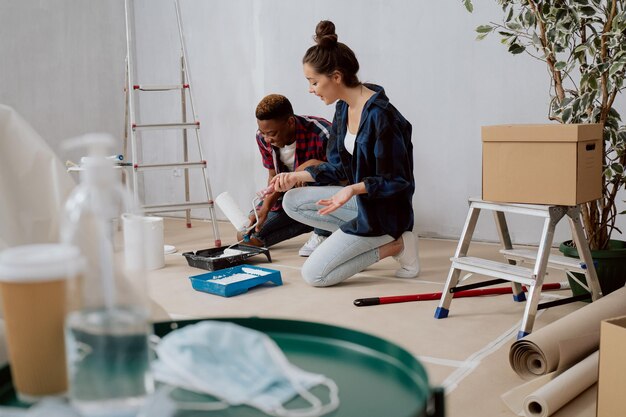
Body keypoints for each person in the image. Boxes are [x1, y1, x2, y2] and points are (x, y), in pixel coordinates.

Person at [270, 20, 419, 287]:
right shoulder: (342, 109)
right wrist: (296, 176)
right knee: (292, 200)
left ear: (336, 77)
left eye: (314, 81)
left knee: (314, 275)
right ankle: (352, 243)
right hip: (363, 204)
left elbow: (399, 181)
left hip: (386, 212)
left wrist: (352, 189)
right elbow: (338, 168)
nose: (310, 89)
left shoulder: (382, 117)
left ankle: (397, 245)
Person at [241, 94, 332, 256]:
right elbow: (273, 175)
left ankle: (324, 230)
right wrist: (265, 207)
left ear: (290, 122)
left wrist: (307, 167)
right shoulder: (262, 137)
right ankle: (309, 222)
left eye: (271, 133)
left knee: (317, 175)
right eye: (263, 133)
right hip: (291, 197)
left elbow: (343, 174)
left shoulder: (322, 133)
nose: (267, 139)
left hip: (324, 197)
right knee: (246, 237)